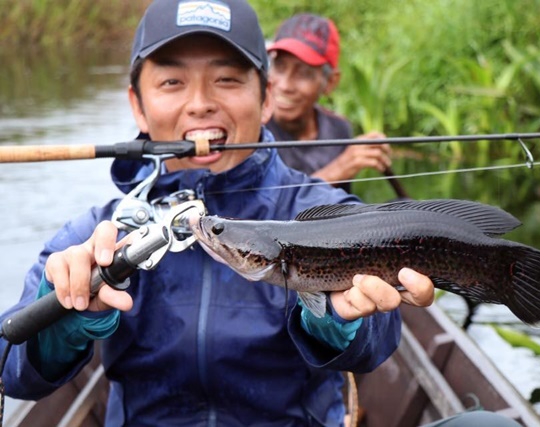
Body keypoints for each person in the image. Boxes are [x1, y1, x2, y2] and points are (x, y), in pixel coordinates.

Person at [0, 1, 434, 425]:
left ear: (266, 99)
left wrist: (337, 321)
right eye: (172, 82)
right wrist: (63, 315)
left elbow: (380, 342)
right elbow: (9, 369)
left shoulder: (328, 214)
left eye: (227, 78)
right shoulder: (96, 234)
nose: (200, 103)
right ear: (137, 105)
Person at [266, 13, 392, 193]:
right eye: (279, 66)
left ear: (330, 82)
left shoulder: (339, 129)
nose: (285, 85)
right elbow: (265, 209)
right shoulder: (253, 129)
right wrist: (340, 168)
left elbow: (340, 208)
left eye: (303, 73)